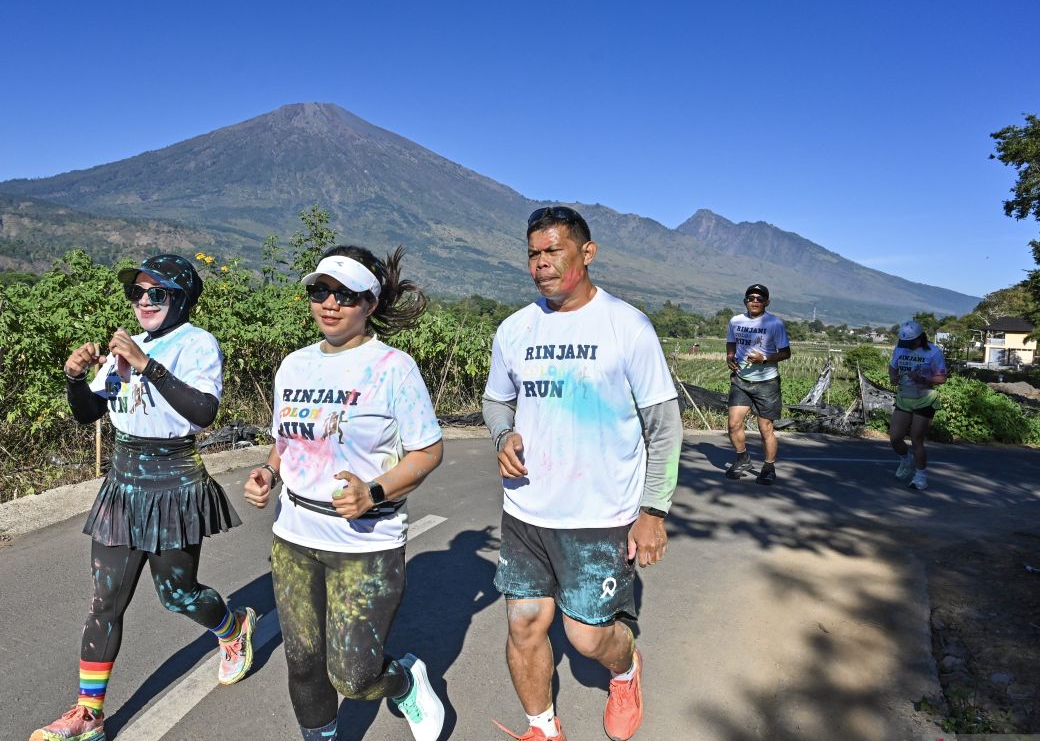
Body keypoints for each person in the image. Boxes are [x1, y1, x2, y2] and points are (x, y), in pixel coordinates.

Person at [31, 254, 255, 741]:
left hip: (174, 480)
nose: (145, 301)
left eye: (158, 293)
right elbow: (90, 412)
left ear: (181, 298)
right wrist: (74, 378)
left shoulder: (196, 344)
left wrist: (145, 364)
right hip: (124, 480)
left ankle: (232, 627)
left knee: (177, 594)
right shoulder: (122, 347)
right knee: (105, 601)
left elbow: (204, 411)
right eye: (138, 293)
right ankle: (88, 716)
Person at [482, 206, 682, 741]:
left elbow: (664, 427)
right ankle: (541, 727)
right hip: (525, 511)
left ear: (586, 253)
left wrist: (653, 512)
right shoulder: (515, 329)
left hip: (601, 517)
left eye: (553, 251)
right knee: (524, 622)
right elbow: (496, 402)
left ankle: (626, 670)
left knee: (589, 638)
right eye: (533, 253)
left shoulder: (626, 326)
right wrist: (503, 436)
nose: (540, 264)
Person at [243, 245, 446, 741]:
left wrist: (373, 491)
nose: (329, 304)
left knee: (353, 676)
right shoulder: (293, 366)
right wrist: (268, 473)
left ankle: (403, 681)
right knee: (304, 662)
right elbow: (286, 441)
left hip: (365, 544)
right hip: (294, 536)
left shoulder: (393, 368)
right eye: (319, 291)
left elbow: (428, 451)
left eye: (345, 294)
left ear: (371, 304)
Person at [724, 284, 792, 485]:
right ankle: (742, 458)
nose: (755, 301)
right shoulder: (735, 321)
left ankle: (769, 467)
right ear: (745, 300)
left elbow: (786, 353)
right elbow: (731, 342)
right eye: (751, 297)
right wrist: (729, 356)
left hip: (767, 383)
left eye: (759, 298)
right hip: (741, 380)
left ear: (767, 302)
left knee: (765, 429)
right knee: (733, 423)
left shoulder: (775, 324)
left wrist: (765, 358)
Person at [888, 320, 948, 491]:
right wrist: (893, 377)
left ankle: (920, 477)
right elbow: (892, 367)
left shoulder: (934, 352)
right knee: (895, 437)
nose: (906, 346)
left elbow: (942, 378)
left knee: (916, 439)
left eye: (910, 343)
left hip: (925, 398)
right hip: (904, 397)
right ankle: (906, 460)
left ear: (920, 338)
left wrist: (922, 379)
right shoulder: (900, 348)